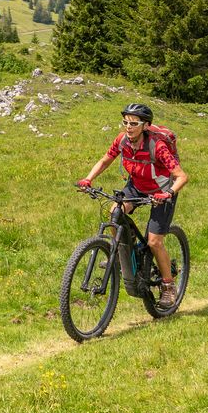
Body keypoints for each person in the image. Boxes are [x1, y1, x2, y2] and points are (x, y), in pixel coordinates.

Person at [78, 102, 188, 307]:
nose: (128, 127)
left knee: (154, 242)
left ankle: (168, 285)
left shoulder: (158, 146)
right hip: (136, 185)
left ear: (145, 126)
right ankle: (123, 257)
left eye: (134, 123)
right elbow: (105, 160)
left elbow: (181, 176)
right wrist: (88, 179)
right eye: (126, 122)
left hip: (162, 191)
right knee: (115, 213)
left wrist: (169, 193)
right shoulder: (122, 141)